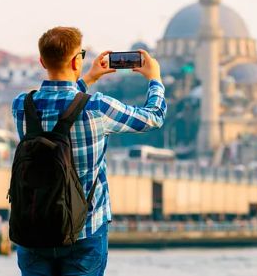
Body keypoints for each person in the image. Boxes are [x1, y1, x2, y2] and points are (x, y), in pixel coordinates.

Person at [11, 26, 167, 276]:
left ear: (42, 61)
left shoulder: (21, 106)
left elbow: (61, 104)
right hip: (84, 232)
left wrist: (89, 79)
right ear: (76, 61)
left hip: (32, 229)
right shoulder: (97, 107)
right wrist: (155, 79)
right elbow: (154, 117)